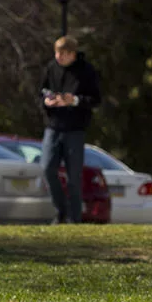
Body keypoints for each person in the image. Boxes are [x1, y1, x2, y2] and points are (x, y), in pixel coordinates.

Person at [39, 35, 103, 224]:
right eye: (57, 53)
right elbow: (41, 90)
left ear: (73, 54)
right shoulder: (51, 68)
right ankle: (60, 210)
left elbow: (95, 99)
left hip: (75, 129)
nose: (59, 57)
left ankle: (74, 218)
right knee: (47, 168)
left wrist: (74, 100)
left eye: (63, 54)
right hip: (54, 126)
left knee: (74, 175)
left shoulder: (86, 71)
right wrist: (47, 101)